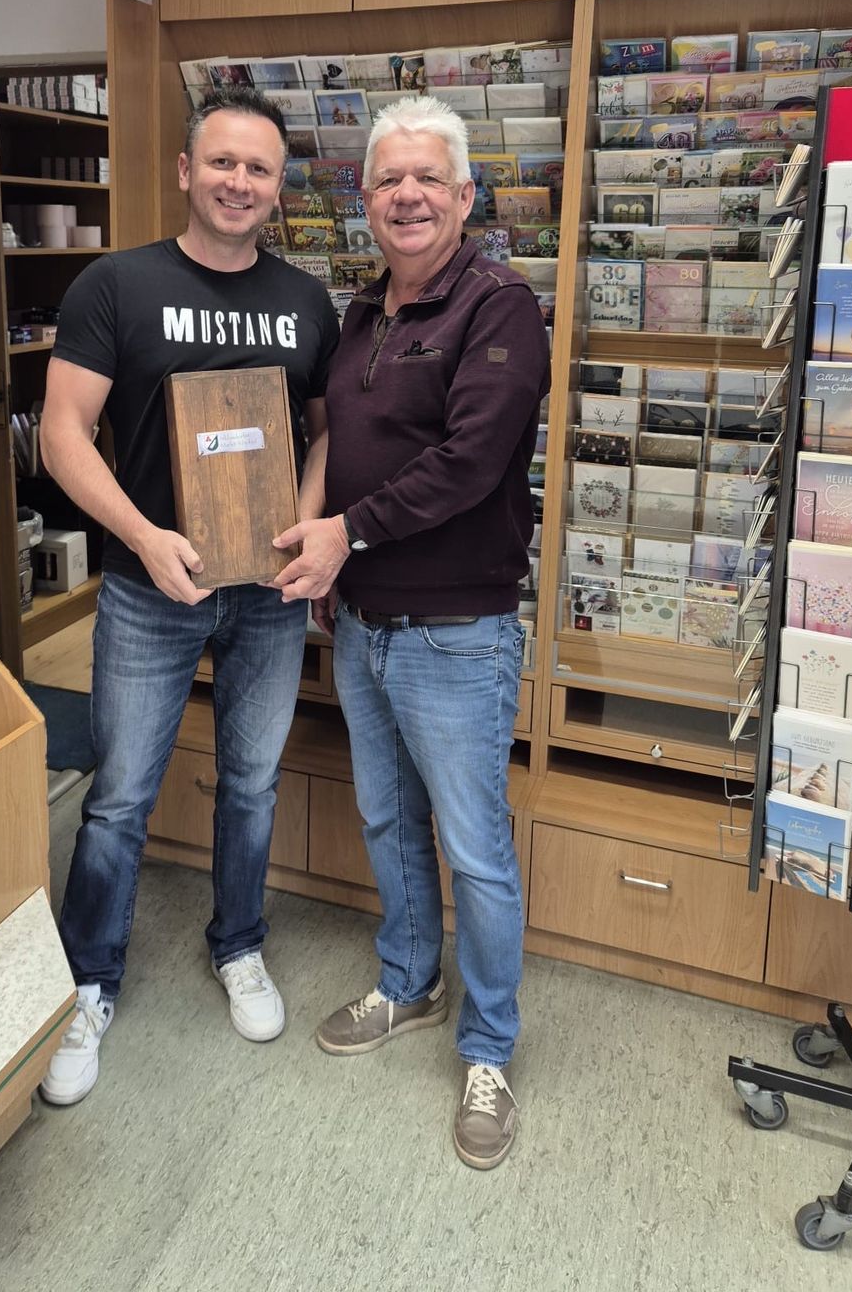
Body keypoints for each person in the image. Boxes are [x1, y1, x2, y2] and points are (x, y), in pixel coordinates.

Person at [39, 86, 339, 1107]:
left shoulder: (306, 300)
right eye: (222, 162)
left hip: (267, 594)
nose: (239, 182)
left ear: (278, 186)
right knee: (120, 794)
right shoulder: (115, 286)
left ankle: (239, 945)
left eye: (259, 169)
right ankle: (88, 981)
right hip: (146, 587)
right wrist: (141, 536)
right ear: (184, 169)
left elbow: (325, 428)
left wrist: (300, 527)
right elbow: (63, 433)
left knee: (252, 784)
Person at [270, 95, 549, 1170]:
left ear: (466, 195)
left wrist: (343, 534)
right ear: (368, 202)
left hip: (457, 632)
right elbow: (335, 439)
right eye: (389, 180)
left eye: (429, 177)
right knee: (386, 823)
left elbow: (473, 462)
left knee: (475, 851)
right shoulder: (357, 316)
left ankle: (488, 1047)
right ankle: (408, 982)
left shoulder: (499, 308)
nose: (408, 195)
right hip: (366, 627)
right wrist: (315, 542)